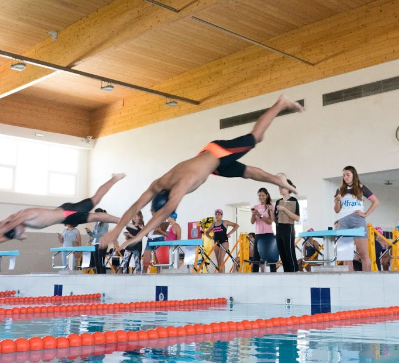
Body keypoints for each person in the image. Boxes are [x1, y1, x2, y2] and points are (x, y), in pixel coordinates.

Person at [101, 94, 303, 253]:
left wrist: (139, 235)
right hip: (210, 163)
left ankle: (280, 102)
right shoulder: (159, 184)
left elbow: (163, 211)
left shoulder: (180, 186)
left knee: (256, 137)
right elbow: (136, 205)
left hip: (217, 153)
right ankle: (279, 179)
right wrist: (117, 230)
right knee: (247, 172)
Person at [334, 166, 379, 271]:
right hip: (343, 221)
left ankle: (367, 279)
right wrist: (337, 200)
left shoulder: (361, 187)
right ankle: (350, 279)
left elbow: (375, 201)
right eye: (344, 175)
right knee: (346, 256)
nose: (345, 177)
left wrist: (365, 213)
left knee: (363, 253)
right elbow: (336, 210)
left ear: (353, 175)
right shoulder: (340, 190)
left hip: (358, 220)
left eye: (348, 175)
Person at [274, 184, 301, 272]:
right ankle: (287, 273)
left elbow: (297, 218)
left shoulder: (294, 200)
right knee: (282, 253)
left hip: (288, 228)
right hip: (279, 228)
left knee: (289, 252)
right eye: (279, 188)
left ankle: (294, 272)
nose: (280, 189)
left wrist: (284, 209)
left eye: (282, 187)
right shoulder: (278, 201)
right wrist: (270, 211)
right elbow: (275, 219)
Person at [251, 188, 278, 272]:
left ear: (266, 196)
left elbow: (270, 221)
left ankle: (273, 275)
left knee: (271, 256)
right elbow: (252, 222)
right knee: (256, 257)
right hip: (258, 234)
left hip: (269, 234)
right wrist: (253, 215)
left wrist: (260, 215)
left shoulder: (270, 206)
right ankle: (254, 276)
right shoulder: (255, 207)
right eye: (259, 195)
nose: (261, 197)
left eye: (263, 195)